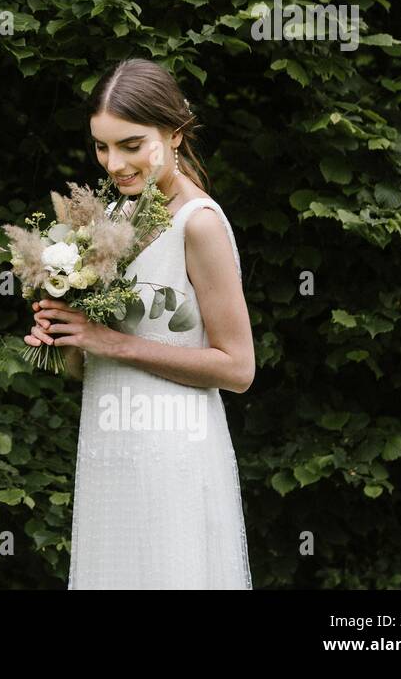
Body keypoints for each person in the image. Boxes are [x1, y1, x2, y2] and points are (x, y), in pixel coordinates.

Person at [25, 57, 255, 589]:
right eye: (102, 147)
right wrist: (66, 334)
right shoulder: (120, 219)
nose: (114, 163)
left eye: (131, 145)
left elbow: (239, 368)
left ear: (174, 134)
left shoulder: (198, 224)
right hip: (110, 450)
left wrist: (110, 341)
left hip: (172, 454)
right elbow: (87, 367)